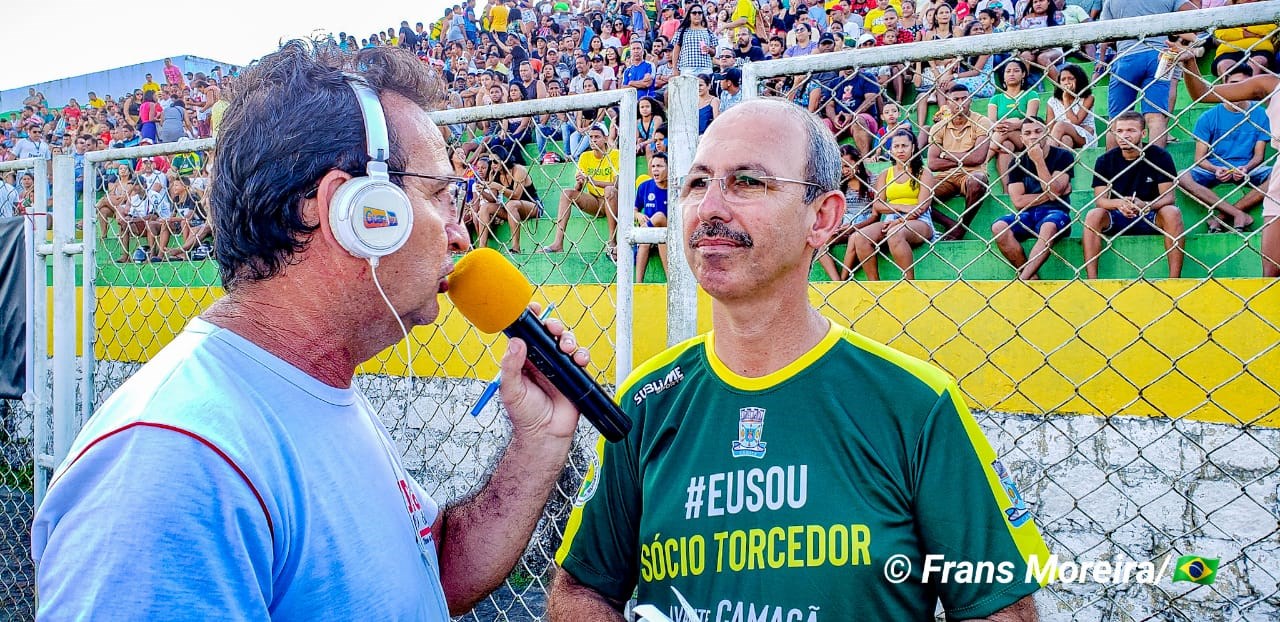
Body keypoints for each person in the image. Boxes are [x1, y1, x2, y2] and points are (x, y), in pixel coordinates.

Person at [32, 43, 590, 619]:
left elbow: (433, 573)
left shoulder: (310, 390)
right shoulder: (171, 463)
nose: (459, 233)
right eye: (439, 196)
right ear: (353, 209)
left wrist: (537, 442)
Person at [547, 98, 1048, 621]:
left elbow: (999, 609)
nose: (711, 207)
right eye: (697, 183)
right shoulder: (644, 402)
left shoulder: (916, 405)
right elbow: (582, 589)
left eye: (748, 182)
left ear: (823, 217)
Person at [1177, 39, 1280, 276]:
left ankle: (1228, 213)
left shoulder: (1258, 110)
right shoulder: (1270, 84)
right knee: (1271, 270)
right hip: (1276, 179)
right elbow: (1202, 94)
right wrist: (1189, 63)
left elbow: (1259, 156)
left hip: (1254, 168)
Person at [1083, 112, 1185, 279]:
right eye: (1120, 131)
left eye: (1131, 130)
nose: (1125, 136)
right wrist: (1119, 203)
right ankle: (1092, 280)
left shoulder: (1159, 156)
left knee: (1172, 212)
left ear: (1143, 133)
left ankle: (1174, 279)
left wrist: (1146, 205)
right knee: (1093, 215)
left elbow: (1169, 197)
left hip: (1151, 214)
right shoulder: (1105, 160)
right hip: (1118, 214)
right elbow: (1100, 200)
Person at [1096, 0, 1196, 149]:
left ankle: (1114, 169)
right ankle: (1155, 167)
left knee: (1116, 120)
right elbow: (1195, 13)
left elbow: (1105, 33)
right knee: (1156, 118)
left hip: (1126, 57)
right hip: (1159, 57)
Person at [991, 116, 1075, 280]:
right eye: (1027, 133)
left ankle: (1023, 280)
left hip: (1056, 212)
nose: (1033, 137)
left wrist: (1038, 161)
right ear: (1021, 138)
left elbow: (1055, 190)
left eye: (1038, 131)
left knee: (1048, 226)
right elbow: (1018, 202)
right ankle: (1030, 275)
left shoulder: (1063, 156)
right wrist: (1050, 194)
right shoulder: (1017, 162)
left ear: (1047, 133)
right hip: (1027, 215)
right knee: (998, 227)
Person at [926, 83, 993, 241]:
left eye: (965, 98)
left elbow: (978, 158)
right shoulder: (938, 127)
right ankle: (950, 223)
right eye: (955, 99)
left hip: (971, 174)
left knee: (978, 180)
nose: (960, 102)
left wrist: (945, 155)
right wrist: (965, 157)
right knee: (916, 191)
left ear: (971, 100)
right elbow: (932, 164)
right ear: (948, 102)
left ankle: (962, 227)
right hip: (945, 176)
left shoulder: (982, 122)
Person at [541, 125, 619, 256]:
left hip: (613, 200)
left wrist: (593, 181)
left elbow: (617, 184)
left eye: (597, 137)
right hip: (594, 201)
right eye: (591, 137)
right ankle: (558, 243)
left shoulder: (615, 154)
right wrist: (580, 182)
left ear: (605, 139)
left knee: (609, 190)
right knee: (567, 193)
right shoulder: (585, 156)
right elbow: (578, 188)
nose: (593, 140)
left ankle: (612, 241)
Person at [634, 153, 671, 283]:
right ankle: (638, 284)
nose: (655, 169)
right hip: (649, 232)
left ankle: (670, 280)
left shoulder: (674, 188)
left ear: (669, 167)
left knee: (660, 218)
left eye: (660, 166)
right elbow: (634, 208)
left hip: (669, 233)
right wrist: (638, 215)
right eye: (653, 166)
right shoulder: (644, 186)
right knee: (646, 238)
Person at [1047, 63, 1098, 149]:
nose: (1067, 82)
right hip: (1061, 136)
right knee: (1066, 140)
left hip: (1084, 137)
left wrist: (1066, 99)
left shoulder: (1087, 98)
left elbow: (1075, 122)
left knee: (1060, 125)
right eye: (1063, 80)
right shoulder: (1053, 101)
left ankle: (1048, 156)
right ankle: (1060, 161)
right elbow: (1050, 127)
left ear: (1079, 80)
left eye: (1071, 79)